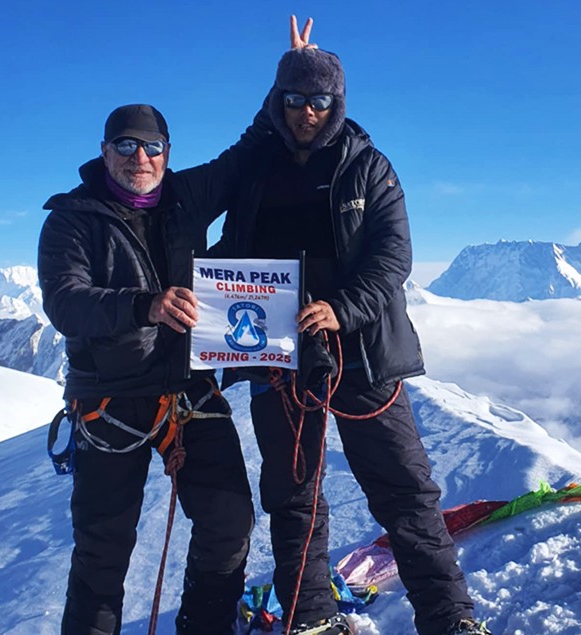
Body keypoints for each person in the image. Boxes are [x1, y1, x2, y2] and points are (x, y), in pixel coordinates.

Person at [212, 31, 490, 635]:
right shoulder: (255, 168)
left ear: (337, 103)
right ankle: (310, 618)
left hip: (361, 352)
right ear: (275, 101)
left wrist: (342, 308)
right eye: (293, 98)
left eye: (318, 100)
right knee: (293, 496)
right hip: (277, 353)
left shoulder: (368, 166)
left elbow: (393, 258)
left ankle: (451, 621)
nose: (305, 112)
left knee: (405, 493)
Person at [38, 99, 271, 634]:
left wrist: (295, 75)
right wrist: (147, 305)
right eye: (125, 144)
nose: (139, 156)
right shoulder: (72, 220)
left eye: (152, 146)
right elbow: (66, 302)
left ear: (167, 154)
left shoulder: (186, 196)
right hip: (109, 397)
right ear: (104, 151)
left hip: (187, 390)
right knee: (104, 550)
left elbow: (247, 151)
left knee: (229, 523)